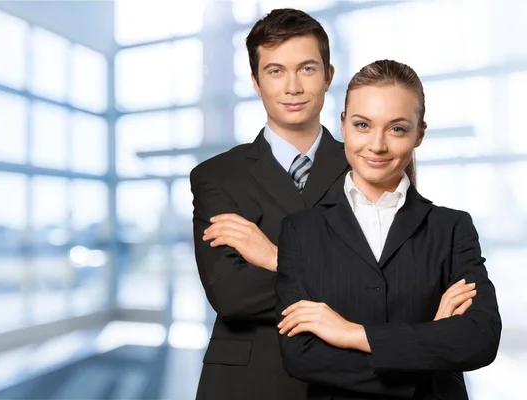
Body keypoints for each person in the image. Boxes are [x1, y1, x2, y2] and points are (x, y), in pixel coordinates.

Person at [275, 59, 502, 399]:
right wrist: (431, 343)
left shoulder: (451, 228)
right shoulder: (301, 230)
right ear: (343, 126)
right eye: (363, 125)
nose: (377, 145)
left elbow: (479, 339)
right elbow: (302, 356)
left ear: (419, 133)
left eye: (397, 128)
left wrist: (352, 334)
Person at [190, 8, 347, 400]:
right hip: (249, 381)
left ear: (328, 75)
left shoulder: (366, 166)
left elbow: (395, 284)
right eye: (276, 71)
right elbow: (232, 293)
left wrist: (274, 257)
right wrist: (346, 276)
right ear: (257, 83)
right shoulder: (217, 176)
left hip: (348, 376)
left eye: (307, 69)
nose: (292, 87)